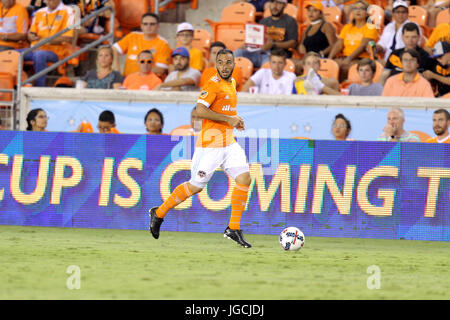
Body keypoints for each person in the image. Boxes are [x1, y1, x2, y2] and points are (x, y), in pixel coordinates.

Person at [149, 48, 253, 248]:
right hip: (210, 145)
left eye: (228, 62)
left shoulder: (232, 83)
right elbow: (200, 110)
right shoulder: (212, 85)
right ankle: (159, 213)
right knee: (196, 186)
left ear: (234, 65)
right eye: (220, 62)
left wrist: (235, 121)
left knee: (244, 178)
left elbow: (226, 110)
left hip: (229, 142)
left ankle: (233, 228)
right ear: (215, 64)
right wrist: (229, 119)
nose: (224, 66)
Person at [24, 0, 75, 87]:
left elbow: (68, 38)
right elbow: (31, 33)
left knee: (39, 55)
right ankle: (19, 84)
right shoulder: (39, 12)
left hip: (57, 52)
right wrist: (31, 36)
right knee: (13, 54)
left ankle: (39, 88)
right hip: (35, 49)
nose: (48, 1)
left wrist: (45, 40)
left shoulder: (68, 11)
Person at [234, 0, 298, 68]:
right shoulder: (264, 21)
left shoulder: (290, 21)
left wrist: (273, 45)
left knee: (268, 63)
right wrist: (248, 44)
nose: (275, 6)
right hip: (259, 53)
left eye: (278, 3)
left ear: (285, 5)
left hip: (276, 56)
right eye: (272, 2)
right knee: (238, 52)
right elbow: (257, 40)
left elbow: (293, 43)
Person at [328, 0, 379, 82]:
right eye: (355, 8)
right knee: (331, 66)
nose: (358, 11)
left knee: (346, 67)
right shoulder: (347, 27)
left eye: (361, 8)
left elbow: (363, 46)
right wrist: (330, 59)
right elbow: (339, 44)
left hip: (361, 58)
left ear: (367, 13)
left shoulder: (371, 27)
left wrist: (349, 59)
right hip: (344, 57)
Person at [112, 13, 171, 78]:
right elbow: (114, 49)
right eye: (145, 24)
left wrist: (138, 76)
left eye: (152, 24)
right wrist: (116, 68)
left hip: (149, 81)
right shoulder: (132, 36)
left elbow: (161, 69)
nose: (148, 26)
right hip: (127, 79)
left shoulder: (163, 43)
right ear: (141, 26)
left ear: (158, 26)